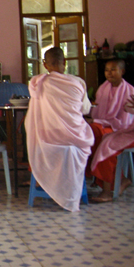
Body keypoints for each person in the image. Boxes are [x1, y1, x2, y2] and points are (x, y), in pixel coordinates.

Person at [25, 47, 94, 212]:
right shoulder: (78, 83)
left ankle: (47, 183)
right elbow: (86, 110)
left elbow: (33, 115)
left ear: (45, 65)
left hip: (48, 139)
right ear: (65, 63)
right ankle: (74, 191)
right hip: (75, 138)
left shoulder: (37, 83)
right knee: (90, 136)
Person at [86, 59, 134, 189]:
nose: (109, 73)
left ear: (122, 71)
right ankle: (94, 175)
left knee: (99, 136)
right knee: (89, 131)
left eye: (113, 69)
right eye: (107, 70)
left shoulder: (130, 90)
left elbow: (126, 120)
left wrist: (100, 122)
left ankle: (117, 179)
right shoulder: (103, 88)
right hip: (102, 123)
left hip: (120, 127)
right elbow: (98, 110)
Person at [90, 94, 134, 202]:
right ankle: (121, 179)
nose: (110, 75)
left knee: (108, 147)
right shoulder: (103, 89)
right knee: (104, 140)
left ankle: (107, 190)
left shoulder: (128, 88)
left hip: (130, 133)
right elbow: (128, 108)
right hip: (128, 130)